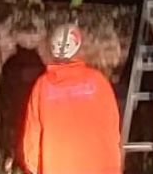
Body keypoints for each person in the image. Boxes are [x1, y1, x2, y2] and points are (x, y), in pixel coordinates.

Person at [18, 25, 121, 174]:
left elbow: (31, 144)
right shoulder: (99, 81)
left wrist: (36, 168)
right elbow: (113, 128)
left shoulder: (42, 87)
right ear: (78, 47)